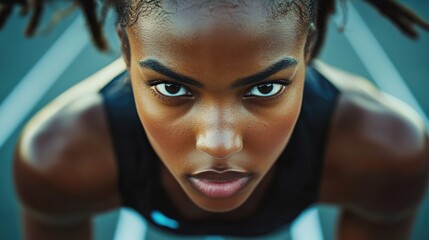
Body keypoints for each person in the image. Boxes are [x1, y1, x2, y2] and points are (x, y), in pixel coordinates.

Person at [3, 0, 429, 239]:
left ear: (308, 48)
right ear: (125, 52)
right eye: (172, 88)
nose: (219, 143)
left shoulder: (384, 153)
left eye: (266, 88)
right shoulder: (60, 160)